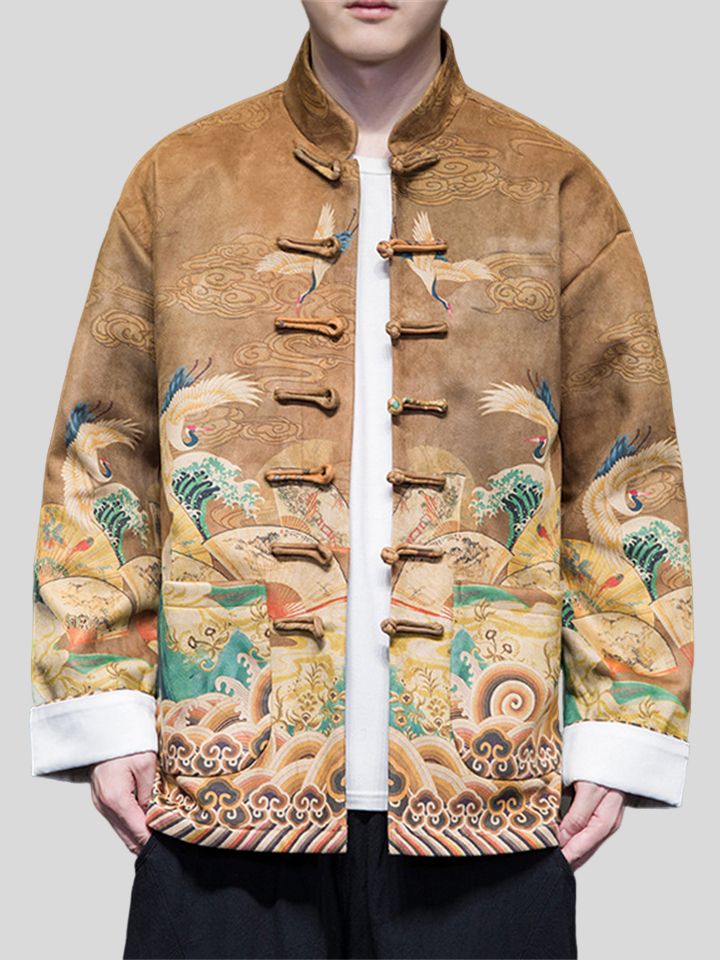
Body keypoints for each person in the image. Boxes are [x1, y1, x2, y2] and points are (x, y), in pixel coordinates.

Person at [29, 1, 694, 958]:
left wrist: (623, 720)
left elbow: (630, 464)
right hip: (220, 782)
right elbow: (103, 451)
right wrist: (103, 704)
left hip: (491, 791)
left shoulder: (557, 188)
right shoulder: (179, 179)